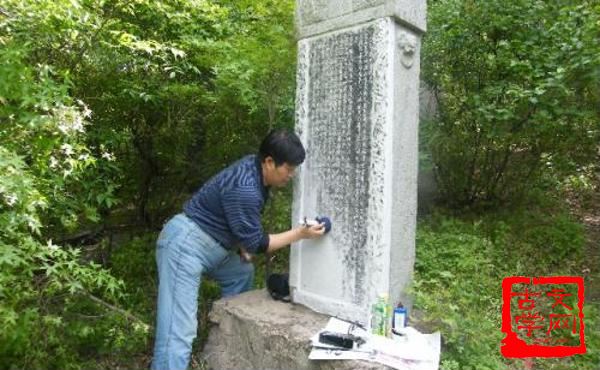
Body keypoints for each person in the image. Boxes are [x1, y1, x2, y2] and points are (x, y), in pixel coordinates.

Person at [151, 128, 326, 370]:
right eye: (288, 168)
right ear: (269, 162)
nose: (291, 175)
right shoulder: (246, 187)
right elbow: (259, 244)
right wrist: (300, 234)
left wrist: (240, 242)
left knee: (241, 272)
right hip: (186, 245)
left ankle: (226, 337)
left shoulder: (253, 169)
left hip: (214, 246)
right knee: (177, 332)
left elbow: (233, 218)